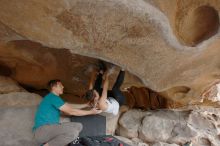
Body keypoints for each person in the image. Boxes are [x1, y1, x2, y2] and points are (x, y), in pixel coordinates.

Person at [33, 79, 102, 146]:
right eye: (60, 85)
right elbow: (71, 111)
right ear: (53, 87)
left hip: (50, 130)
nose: (63, 87)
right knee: (73, 133)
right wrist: (91, 112)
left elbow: (69, 108)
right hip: (43, 130)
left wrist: (86, 105)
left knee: (78, 126)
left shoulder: (54, 99)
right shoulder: (52, 97)